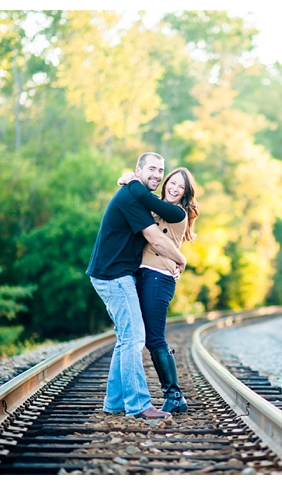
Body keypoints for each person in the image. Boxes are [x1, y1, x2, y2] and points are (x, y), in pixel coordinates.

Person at [86, 152, 185, 419]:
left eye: (160, 170)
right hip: (113, 274)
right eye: (151, 168)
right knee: (134, 337)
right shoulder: (132, 197)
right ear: (138, 170)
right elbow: (155, 238)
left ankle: (115, 402)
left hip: (114, 273)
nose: (157, 174)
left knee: (125, 338)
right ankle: (139, 405)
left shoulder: (137, 194)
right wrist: (181, 259)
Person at [118, 167, 199, 414]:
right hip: (142, 275)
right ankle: (154, 394)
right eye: (171, 183)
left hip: (159, 278)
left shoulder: (176, 212)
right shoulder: (155, 206)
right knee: (138, 337)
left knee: (154, 339)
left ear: (186, 194)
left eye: (180, 187)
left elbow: (144, 198)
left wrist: (131, 179)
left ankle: (174, 395)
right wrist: (126, 177)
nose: (174, 188)